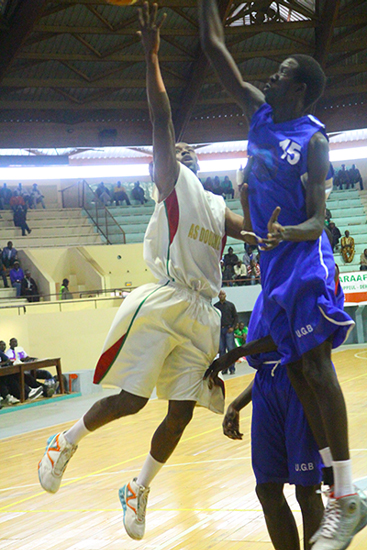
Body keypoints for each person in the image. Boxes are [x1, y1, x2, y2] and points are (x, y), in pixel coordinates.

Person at [37, 3, 247, 543]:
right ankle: (64, 442)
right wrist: (151, 55)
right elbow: (161, 117)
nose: (175, 150)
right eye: (169, 151)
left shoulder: (217, 204)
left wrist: (270, 212)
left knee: (181, 415)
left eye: (181, 150)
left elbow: (252, 232)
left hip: (202, 313)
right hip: (167, 300)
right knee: (132, 400)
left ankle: (138, 487)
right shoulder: (173, 183)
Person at [200, 2, 366, 548]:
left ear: (298, 90)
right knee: (296, 372)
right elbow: (216, 52)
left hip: (304, 258)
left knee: (316, 369)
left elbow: (319, 218)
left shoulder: (314, 141)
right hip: (273, 262)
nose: (267, 78)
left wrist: (284, 234)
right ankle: (338, 487)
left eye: (280, 74)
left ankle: (346, 494)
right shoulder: (258, 112)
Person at [221, 293, 325, 550]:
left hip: (300, 383)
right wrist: (237, 403)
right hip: (267, 387)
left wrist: (238, 351)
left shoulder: (301, 273)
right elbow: (268, 366)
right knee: (267, 490)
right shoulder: (263, 291)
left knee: (307, 490)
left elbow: (286, 338)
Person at [214, 290, 238, 375]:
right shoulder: (215, 307)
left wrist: (233, 327)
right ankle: (224, 369)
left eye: (222, 294)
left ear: (225, 295)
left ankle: (232, 368)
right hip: (220, 330)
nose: (221, 296)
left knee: (231, 349)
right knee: (222, 350)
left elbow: (235, 317)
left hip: (229, 329)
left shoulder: (230, 305)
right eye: (220, 294)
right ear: (218, 296)